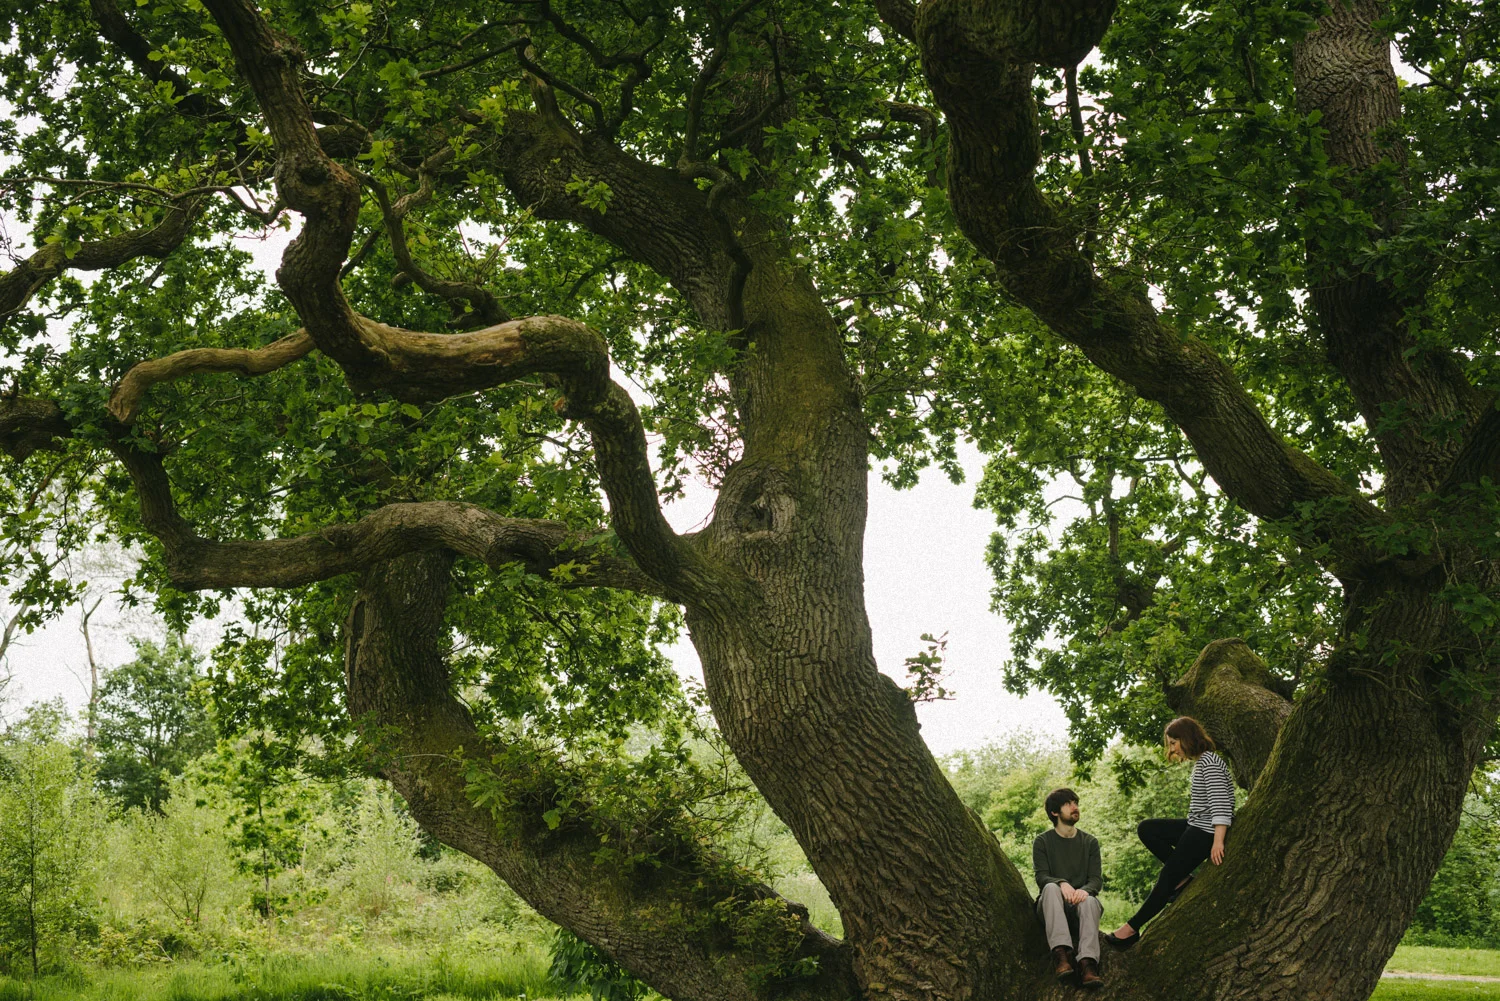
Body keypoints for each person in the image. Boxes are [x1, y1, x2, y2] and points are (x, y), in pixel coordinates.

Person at [1104, 716, 1234, 949]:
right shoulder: (1202, 762)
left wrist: (1218, 841)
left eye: (1174, 742)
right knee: (1148, 829)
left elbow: (1221, 803)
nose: (1172, 748)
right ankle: (1182, 880)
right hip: (1195, 825)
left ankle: (1131, 929)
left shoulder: (1210, 762)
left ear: (1186, 738)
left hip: (1205, 832)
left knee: (1167, 876)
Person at [1033, 787, 1105, 989]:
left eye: (1076, 803)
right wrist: (1061, 883)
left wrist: (1085, 890)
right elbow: (1041, 876)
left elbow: (1096, 880)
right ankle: (1061, 956)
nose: (1075, 807)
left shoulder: (1090, 842)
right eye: (1068, 804)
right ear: (1055, 813)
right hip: (1051, 907)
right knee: (1049, 888)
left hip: (1079, 907)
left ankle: (1088, 964)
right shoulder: (1042, 842)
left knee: (1091, 900)